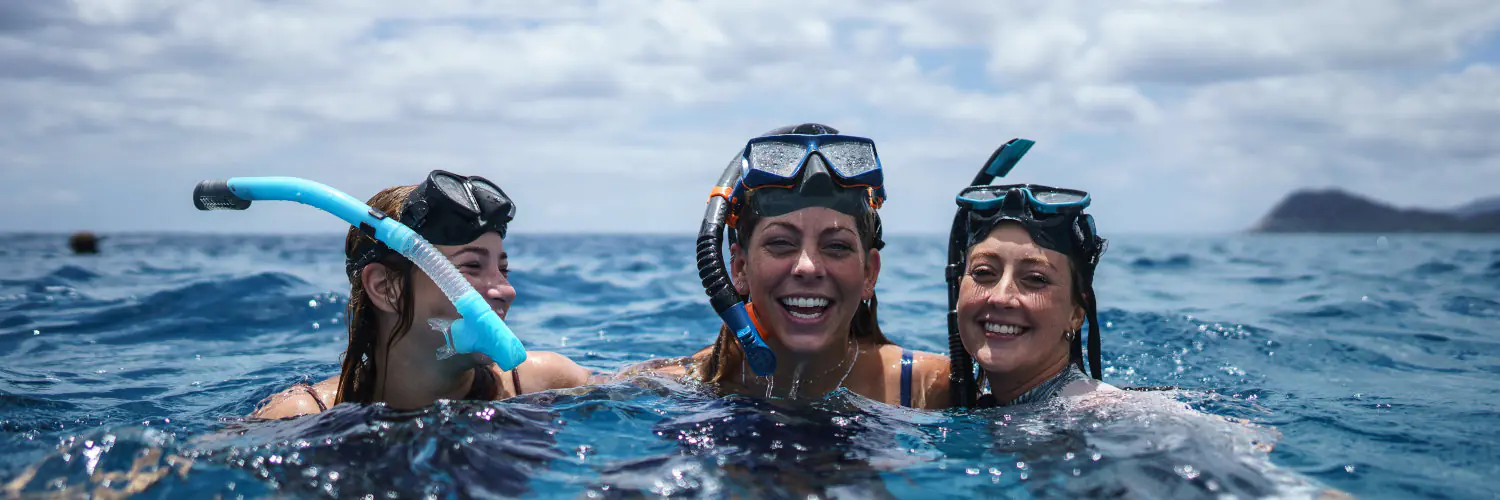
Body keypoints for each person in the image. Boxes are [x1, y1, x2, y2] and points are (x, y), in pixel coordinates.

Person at [623, 123, 948, 409]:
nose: (808, 267)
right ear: (739, 268)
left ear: (869, 273)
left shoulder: (929, 387)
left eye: (836, 246)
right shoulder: (678, 385)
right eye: (781, 244)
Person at [251, 170, 591, 419]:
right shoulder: (301, 417)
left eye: (504, 269)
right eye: (471, 266)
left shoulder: (545, 384)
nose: (505, 289)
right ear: (387, 288)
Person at [945, 138, 1116, 408]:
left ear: (1076, 313)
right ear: (958, 289)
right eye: (983, 273)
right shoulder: (986, 407)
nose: (1001, 298)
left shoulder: (1109, 413)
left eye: (1035, 279)